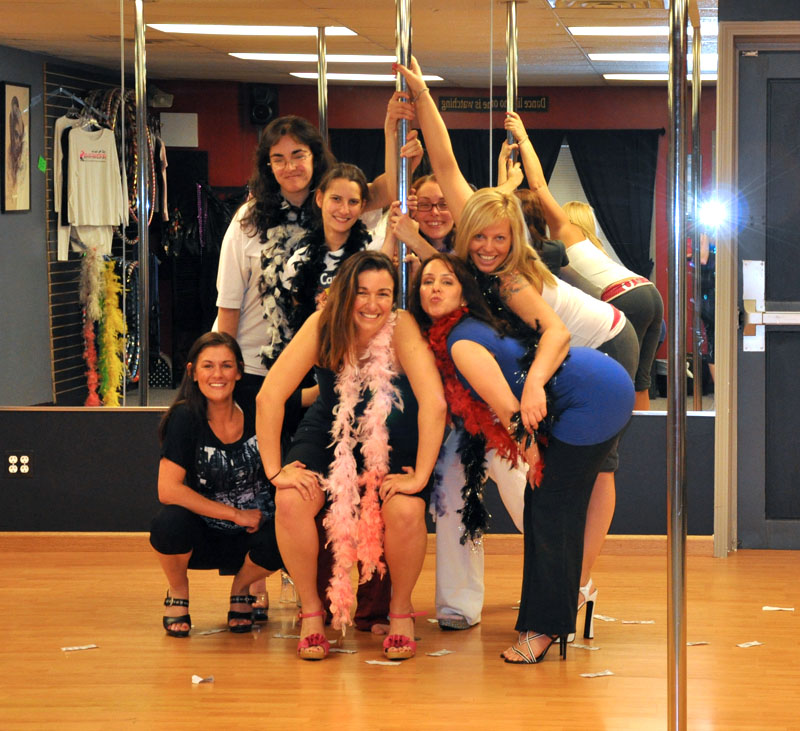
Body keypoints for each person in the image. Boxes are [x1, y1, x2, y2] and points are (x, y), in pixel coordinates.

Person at [395, 57, 637, 631]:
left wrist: (530, 391)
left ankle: (578, 585)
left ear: (513, 239)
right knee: (532, 472)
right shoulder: (476, 244)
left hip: (603, 344)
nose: (485, 247)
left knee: (593, 474)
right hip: (547, 355)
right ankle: (556, 585)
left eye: (497, 239)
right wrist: (422, 97)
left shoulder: (514, 278)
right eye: (476, 237)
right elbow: (446, 163)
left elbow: (553, 333)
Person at [410, 252, 634, 663]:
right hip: (588, 390)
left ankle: (544, 629)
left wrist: (532, 457)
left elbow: (510, 410)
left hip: (591, 398)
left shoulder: (461, 342)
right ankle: (563, 606)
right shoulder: (465, 327)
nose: (435, 289)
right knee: (546, 508)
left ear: (464, 293)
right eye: (428, 282)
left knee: (550, 510)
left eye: (446, 281)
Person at [256, 251, 446, 661]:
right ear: (345, 292)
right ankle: (312, 612)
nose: (373, 304)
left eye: (384, 294)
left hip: (392, 435)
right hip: (329, 430)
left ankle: (400, 611)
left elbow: (434, 403)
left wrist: (420, 476)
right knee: (290, 499)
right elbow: (269, 396)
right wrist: (273, 471)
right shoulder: (322, 324)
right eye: (362, 292)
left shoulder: (402, 327)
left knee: (406, 510)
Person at [505, 109, 663, 411]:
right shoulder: (588, 242)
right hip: (646, 291)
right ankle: (645, 436)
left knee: (622, 384)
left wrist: (523, 139)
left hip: (621, 298)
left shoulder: (560, 235)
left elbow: (537, 187)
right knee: (639, 383)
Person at [150, 332, 282, 637]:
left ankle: (242, 587)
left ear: (239, 371)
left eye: (226, 365)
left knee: (291, 528)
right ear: (193, 372)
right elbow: (167, 490)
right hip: (205, 537)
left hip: (256, 535)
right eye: (208, 366)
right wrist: (235, 514)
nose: (218, 374)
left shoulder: (258, 405)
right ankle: (178, 592)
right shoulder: (184, 417)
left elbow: (309, 397)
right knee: (167, 524)